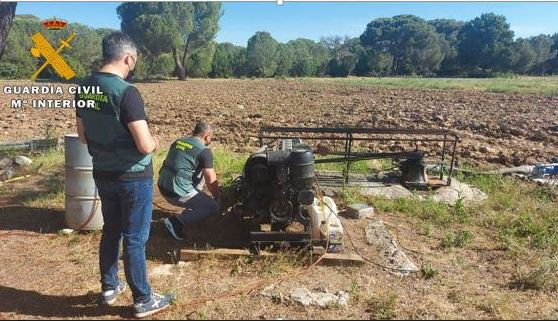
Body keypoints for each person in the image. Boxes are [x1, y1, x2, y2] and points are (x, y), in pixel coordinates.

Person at [75, 31, 173, 318]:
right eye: (134, 61)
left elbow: (82, 137)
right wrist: (155, 143)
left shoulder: (84, 88)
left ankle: (109, 287)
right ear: (128, 57)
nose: (133, 66)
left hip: (103, 174)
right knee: (134, 238)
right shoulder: (127, 92)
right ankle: (143, 299)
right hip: (133, 178)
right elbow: (144, 144)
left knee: (111, 230)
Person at [158, 122, 220, 240]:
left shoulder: (178, 141)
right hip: (175, 193)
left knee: (201, 169)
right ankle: (176, 222)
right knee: (212, 207)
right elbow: (211, 179)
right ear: (207, 137)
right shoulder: (204, 151)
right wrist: (217, 197)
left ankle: (193, 204)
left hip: (163, 185)